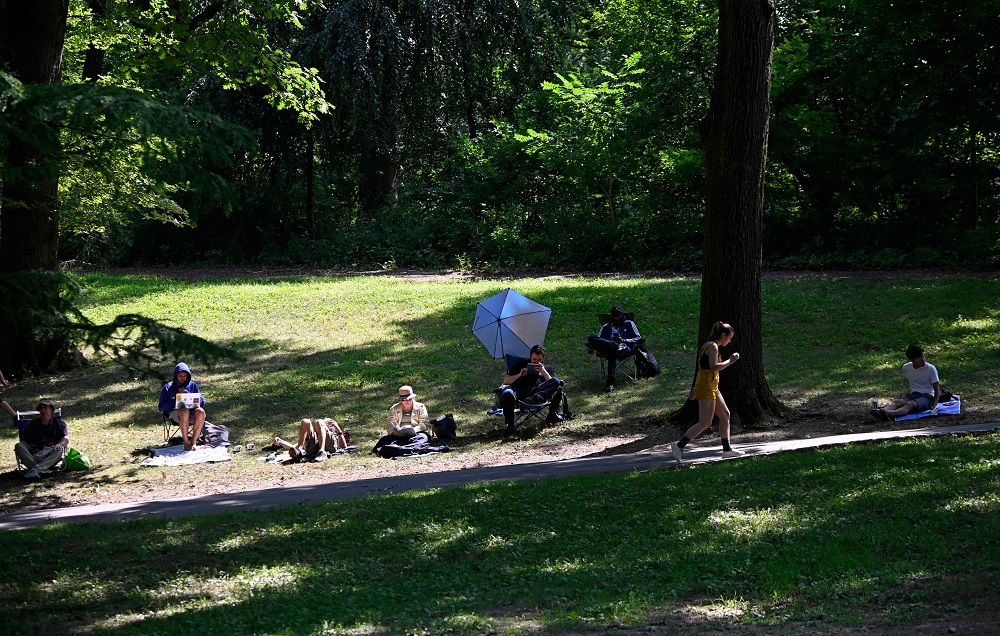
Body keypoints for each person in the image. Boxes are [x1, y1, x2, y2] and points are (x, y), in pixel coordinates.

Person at [672, 321, 744, 463]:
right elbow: (713, 367)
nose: (730, 341)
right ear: (723, 335)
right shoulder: (713, 347)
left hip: (711, 386)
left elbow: (702, 368)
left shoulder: (709, 345)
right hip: (706, 387)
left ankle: (727, 450)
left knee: (725, 415)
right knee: (705, 422)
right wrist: (731, 360)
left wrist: (694, 388)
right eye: (729, 338)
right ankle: (679, 445)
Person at [498, 344, 564, 429]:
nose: (536, 362)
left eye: (539, 360)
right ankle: (510, 426)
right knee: (507, 393)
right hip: (520, 391)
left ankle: (534, 399)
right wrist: (520, 375)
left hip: (538, 392)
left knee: (555, 382)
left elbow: (554, 383)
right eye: (534, 359)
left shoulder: (547, 368)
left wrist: (543, 371)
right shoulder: (521, 365)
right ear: (530, 357)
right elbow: (506, 381)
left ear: (543, 358)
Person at [871, 344, 940, 420]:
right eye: (920, 358)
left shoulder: (930, 369)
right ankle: (882, 411)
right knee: (898, 402)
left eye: (923, 356)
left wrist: (934, 405)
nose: (923, 359)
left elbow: (936, 390)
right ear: (912, 360)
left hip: (928, 396)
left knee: (909, 404)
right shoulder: (906, 367)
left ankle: (889, 413)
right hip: (914, 394)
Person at [587, 305, 643, 392]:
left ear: (622, 315)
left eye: (618, 315)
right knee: (591, 337)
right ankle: (611, 343)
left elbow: (638, 338)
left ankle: (610, 383)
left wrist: (623, 340)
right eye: (614, 315)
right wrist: (609, 342)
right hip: (607, 348)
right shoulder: (605, 327)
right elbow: (599, 339)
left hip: (624, 349)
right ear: (611, 316)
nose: (616, 317)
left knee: (614, 350)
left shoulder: (629, 323)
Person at [14, 398, 69, 480]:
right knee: (19, 446)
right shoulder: (31, 424)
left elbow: (66, 438)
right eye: (41, 408)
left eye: (45, 407)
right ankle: (43, 470)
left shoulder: (59, 424)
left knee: (59, 449)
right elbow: (24, 442)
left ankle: (35, 470)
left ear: (51, 409)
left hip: (50, 453)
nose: (43, 410)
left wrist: (60, 444)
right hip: (34, 454)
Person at [158, 362, 207, 451]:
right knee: (184, 411)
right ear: (176, 375)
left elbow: (202, 402)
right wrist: (176, 398)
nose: (182, 378)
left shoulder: (193, 385)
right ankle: (186, 442)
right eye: (180, 375)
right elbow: (161, 407)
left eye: (185, 376)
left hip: (192, 412)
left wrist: (188, 395)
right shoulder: (168, 387)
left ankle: (193, 442)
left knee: (201, 411)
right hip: (175, 414)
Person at [274, 418, 349, 462]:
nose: (327, 421)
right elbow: (293, 446)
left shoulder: (335, 433)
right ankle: (299, 452)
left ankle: (322, 452)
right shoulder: (317, 435)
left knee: (319, 421)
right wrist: (281, 442)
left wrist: (337, 428)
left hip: (329, 445)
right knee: (305, 421)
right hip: (314, 447)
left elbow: (343, 447)